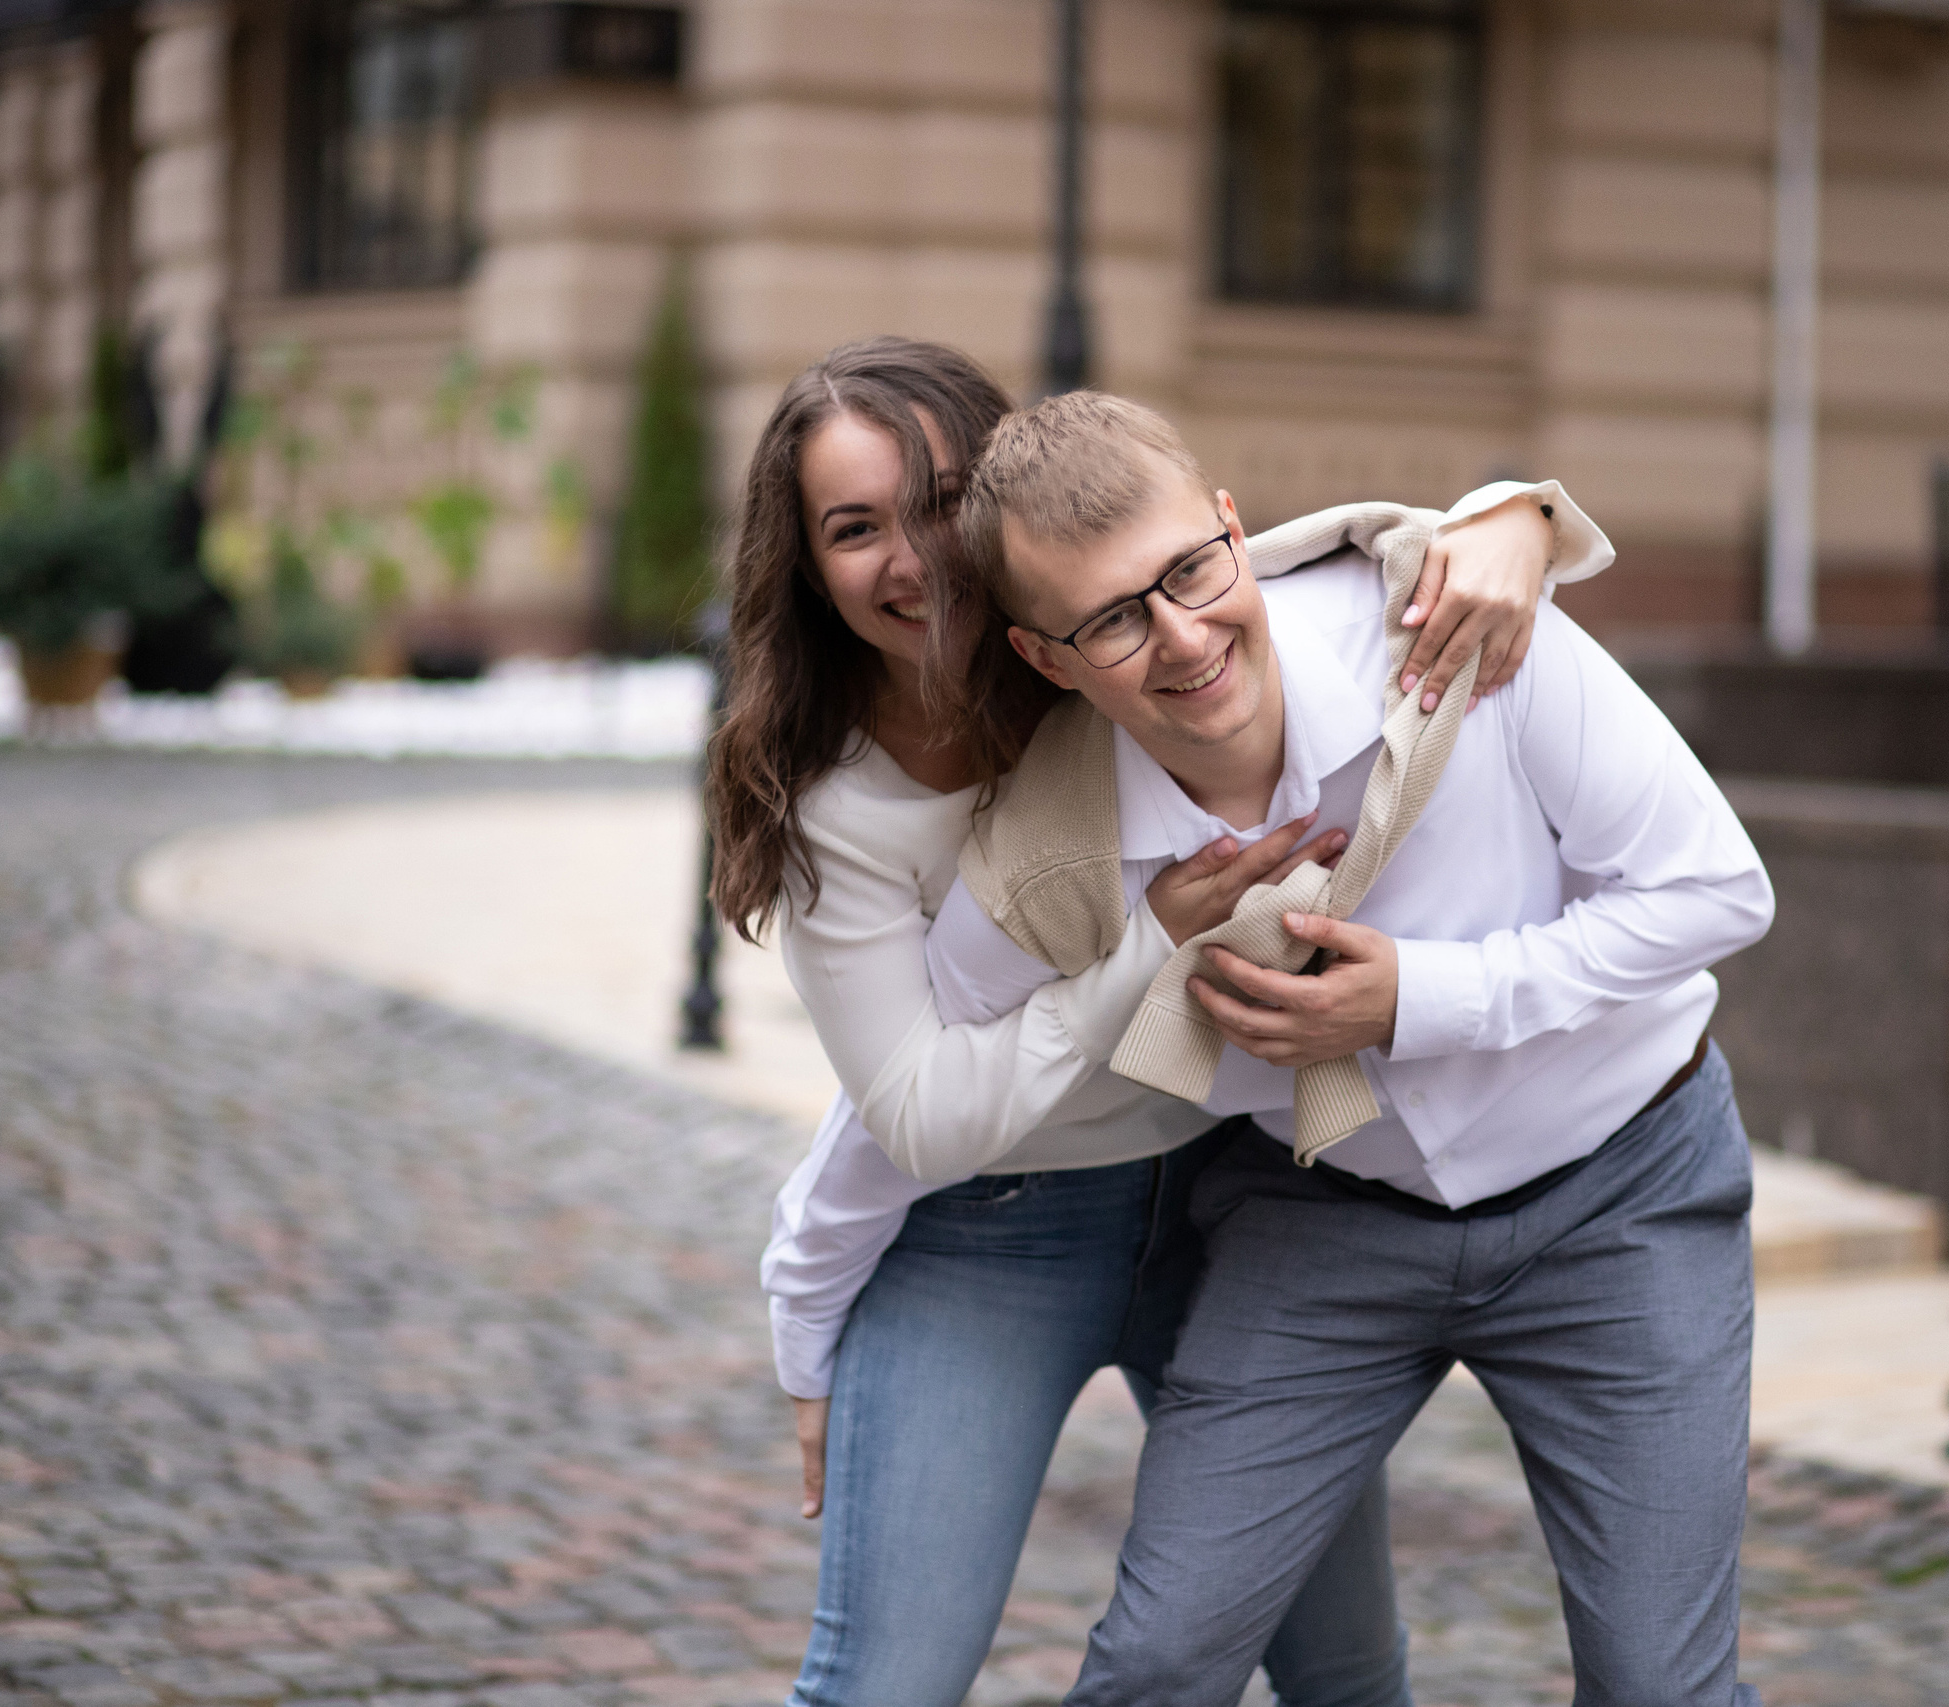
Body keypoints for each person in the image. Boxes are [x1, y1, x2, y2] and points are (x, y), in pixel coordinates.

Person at [707, 336, 1569, 1707]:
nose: (912, 557)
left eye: (939, 503)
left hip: (1236, 1205)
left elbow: (1307, 561)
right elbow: (919, 1114)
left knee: (1350, 1674)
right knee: (885, 1684)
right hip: (988, 1236)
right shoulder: (837, 807)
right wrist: (1145, 948)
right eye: (854, 528)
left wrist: (1517, 518)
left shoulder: (1107, 657)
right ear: (807, 566)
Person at [890, 390, 1776, 1707]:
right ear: (1049, 659)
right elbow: (933, 1067)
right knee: (1156, 1665)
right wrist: (815, 1289)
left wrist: (1426, 1000)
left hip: (1623, 1192)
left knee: (1661, 1690)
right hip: (1323, 1218)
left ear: (1235, 530)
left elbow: (1717, 891)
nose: (1186, 638)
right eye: (1115, 620)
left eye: (1191, 570)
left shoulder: (1459, 633)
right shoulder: (1048, 857)